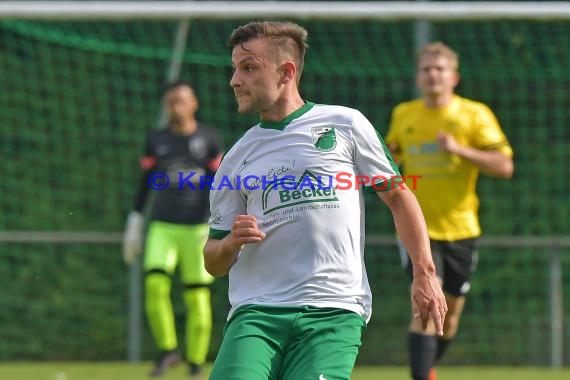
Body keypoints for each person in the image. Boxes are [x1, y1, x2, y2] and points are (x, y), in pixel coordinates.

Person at [203, 21, 447, 380]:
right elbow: (212, 261)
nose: (234, 80)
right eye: (235, 69)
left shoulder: (345, 124)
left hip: (334, 310)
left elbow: (398, 196)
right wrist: (229, 244)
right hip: (257, 314)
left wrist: (425, 273)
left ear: (286, 72)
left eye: (249, 67)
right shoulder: (235, 159)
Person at [385, 42, 514, 380]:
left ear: (453, 77)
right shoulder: (404, 114)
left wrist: (459, 150)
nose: (432, 75)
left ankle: (427, 368)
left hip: (461, 228)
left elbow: (504, 165)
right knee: (428, 303)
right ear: (418, 77)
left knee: (450, 316)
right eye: (426, 69)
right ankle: (420, 374)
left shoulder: (474, 114)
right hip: (417, 229)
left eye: (439, 69)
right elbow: (389, 159)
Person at [122, 80, 223, 378]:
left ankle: (195, 361)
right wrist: (135, 219)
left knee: (197, 296)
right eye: (170, 102)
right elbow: (145, 182)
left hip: (197, 229)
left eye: (181, 101)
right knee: (154, 284)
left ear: (194, 104)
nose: (175, 107)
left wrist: (220, 221)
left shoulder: (210, 138)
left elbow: (220, 185)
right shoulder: (156, 139)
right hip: (163, 227)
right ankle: (168, 351)